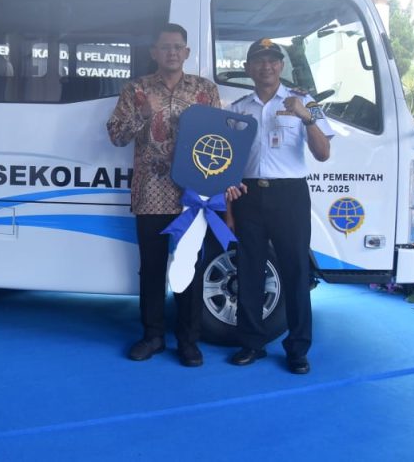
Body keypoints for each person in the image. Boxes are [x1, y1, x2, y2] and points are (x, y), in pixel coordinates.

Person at [106, 24, 222, 367]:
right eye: (165, 47)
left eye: (178, 47)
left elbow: (220, 142)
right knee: (152, 268)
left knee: (188, 266)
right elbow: (115, 136)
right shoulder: (136, 90)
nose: (172, 52)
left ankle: (188, 341)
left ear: (187, 53)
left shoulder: (205, 91)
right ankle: (153, 336)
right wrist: (141, 117)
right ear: (154, 52)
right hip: (150, 192)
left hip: (193, 195)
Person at [227, 38, 332, 375]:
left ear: (281, 66)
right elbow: (229, 160)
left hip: (289, 196)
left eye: (273, 60)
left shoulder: (305, 102)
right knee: (249, 270)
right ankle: (251, 344)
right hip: (248, 195)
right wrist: (228, 202)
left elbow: (323, 153)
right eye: (259, 61)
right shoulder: (239, 108)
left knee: (296, 272)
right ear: (248, 68)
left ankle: (298, 349)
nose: (266, 66)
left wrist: (307, 119)